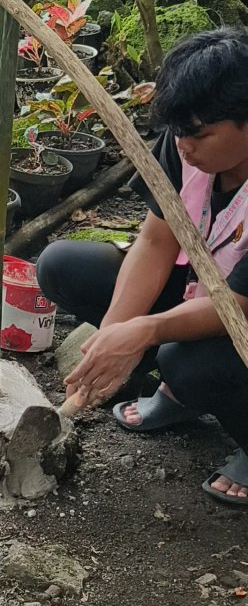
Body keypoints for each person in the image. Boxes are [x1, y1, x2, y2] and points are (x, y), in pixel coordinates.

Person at [36, 27, 248, 505]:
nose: (185, 147)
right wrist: (112, 336)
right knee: (63, 264)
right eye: (178, 133)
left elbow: (236, 307)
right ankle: (180, 399)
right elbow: (155, 242)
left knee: (186, 360)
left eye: (200, 134)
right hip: (206, 283)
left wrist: (145, 333)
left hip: (241, 311)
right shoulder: (184, 143)